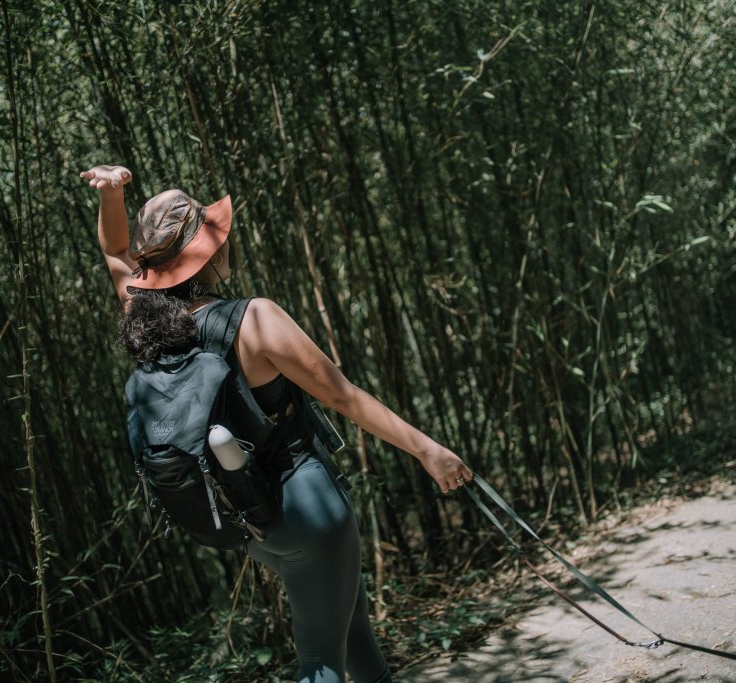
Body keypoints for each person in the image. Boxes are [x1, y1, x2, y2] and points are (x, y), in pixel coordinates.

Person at [80, 164, 473, 683]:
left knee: (349, 628)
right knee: (320, 662)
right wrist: (428, 450)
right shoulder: (254, 318)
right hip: (308, 505)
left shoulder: (144, 317)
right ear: (211, 253)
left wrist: (111, 194)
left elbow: (112, 251)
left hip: (251, 518)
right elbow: (344, 397)